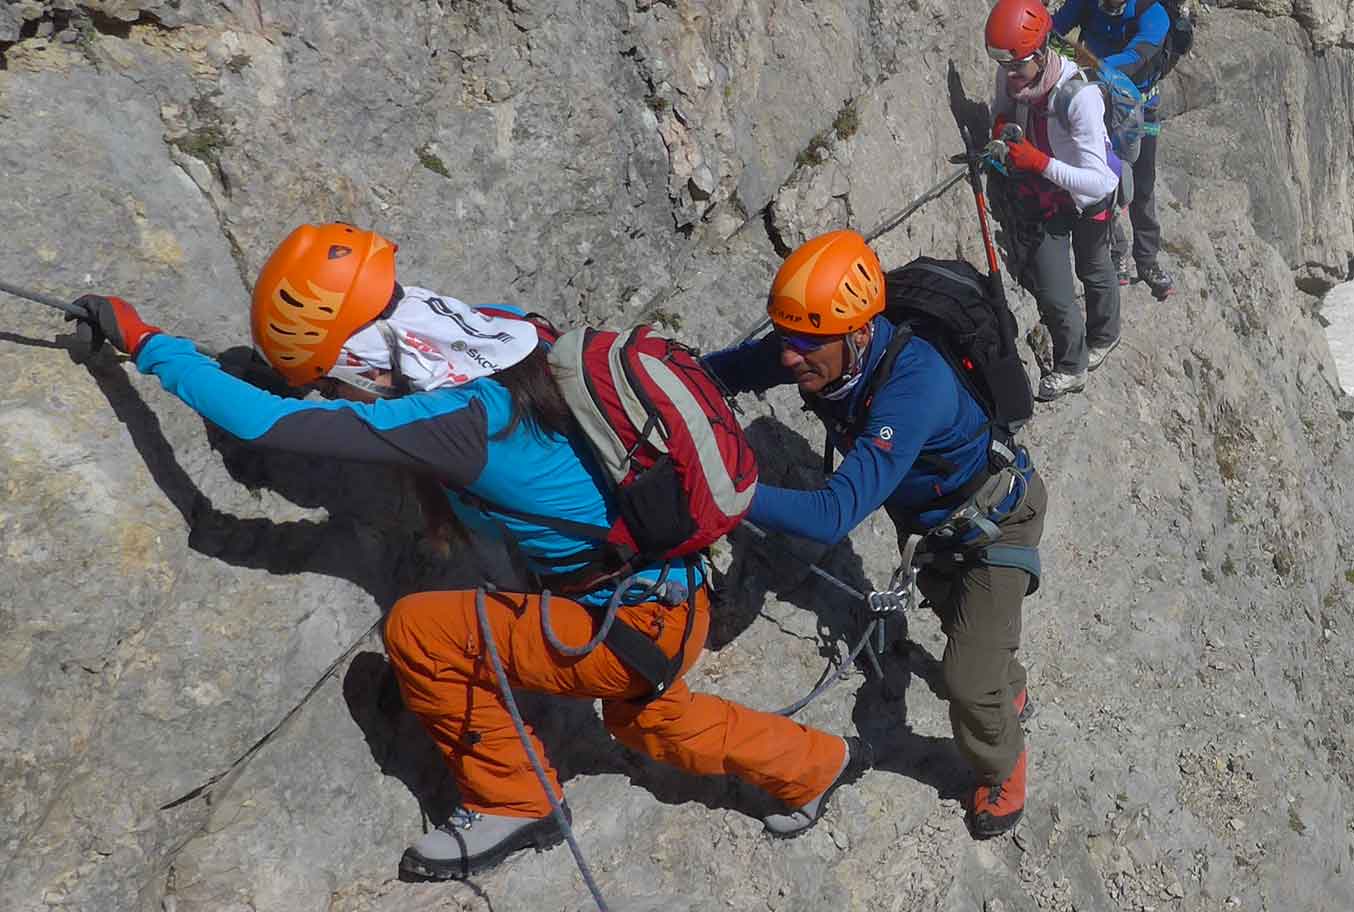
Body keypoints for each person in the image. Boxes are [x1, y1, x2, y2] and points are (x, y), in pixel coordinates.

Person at [67, 224, 853, 880]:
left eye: (334, 376)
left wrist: (146, 343)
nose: (337, 394)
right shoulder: (503, 333)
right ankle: (813, 765)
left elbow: (266, 424)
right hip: (671, 603)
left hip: (621, 621)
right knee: (648, 723)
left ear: (357, 357)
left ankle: (517, 801)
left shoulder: (455, 420)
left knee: (419, 631)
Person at [701, 230, 1047, 840]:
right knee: (971, 639)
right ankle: (1003, 694)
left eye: (806, 342)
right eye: (785, 338)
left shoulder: (914, 385)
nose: (788, 356)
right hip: (934, 529)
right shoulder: (825, 350)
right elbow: (732, 368)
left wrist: (729, 493)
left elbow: (834, 513)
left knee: (966, 680)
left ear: (859, 332)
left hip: (996, 525)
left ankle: (1002, 763)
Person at [984, 0, 1122, 401]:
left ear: (1042, 54)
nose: (1009, 76)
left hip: (1087, 197)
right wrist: (999, 130)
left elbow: (1097, 182)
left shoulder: (1079, 98)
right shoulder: (1011, 67)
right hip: (1044, 198)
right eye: (1004, 65)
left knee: (1095, 269)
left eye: (1017, 67)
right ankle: (1072, 366)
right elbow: (1004, 109)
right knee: (1056, 291)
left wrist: (1038, 161)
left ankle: (1106, 334)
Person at [1052, 0, 1177, 301]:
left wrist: (1087, 62)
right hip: (1096, 102)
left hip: (1140, 108)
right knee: (1106, 175)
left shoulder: (1153, 13)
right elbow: (1054, 29)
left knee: (1143, 184)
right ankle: (1116, 248)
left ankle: (1146, 260)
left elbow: (1137, 57)